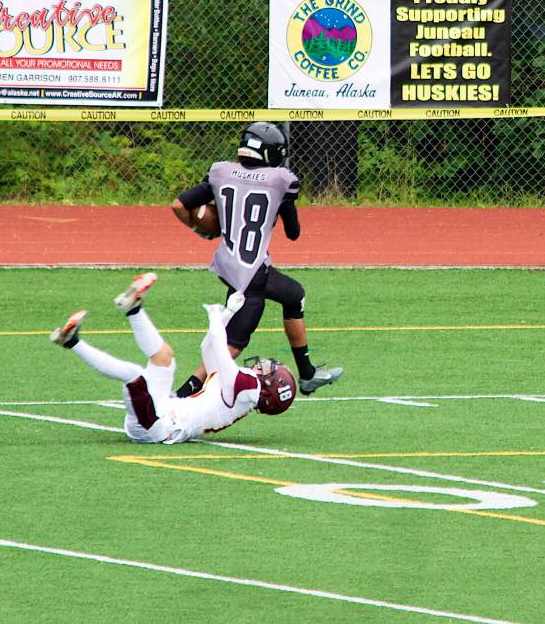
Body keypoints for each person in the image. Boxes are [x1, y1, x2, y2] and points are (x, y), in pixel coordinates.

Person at [170, 121, 343, 398]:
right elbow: (294, 233)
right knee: (233, 345)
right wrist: (283, 208)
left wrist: (200, 227)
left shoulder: (220, 171)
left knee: (294, 295)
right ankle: (181, 396)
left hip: (231, 264)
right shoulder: (280, 180)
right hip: (251, 273)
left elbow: (179, 205)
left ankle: (308, 374)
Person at [49, 272, 298, 444]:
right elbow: (209, 349)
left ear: (268, 388)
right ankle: (133, 309)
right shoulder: (244, 390)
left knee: (135, 376)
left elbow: (221, 352)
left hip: (158, 426)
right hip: (162, 413)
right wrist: (228, 313)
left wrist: (215, 318)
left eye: (270, 371)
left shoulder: (247, 387)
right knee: (164, 358)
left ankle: (72, 341)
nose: (265, 366)